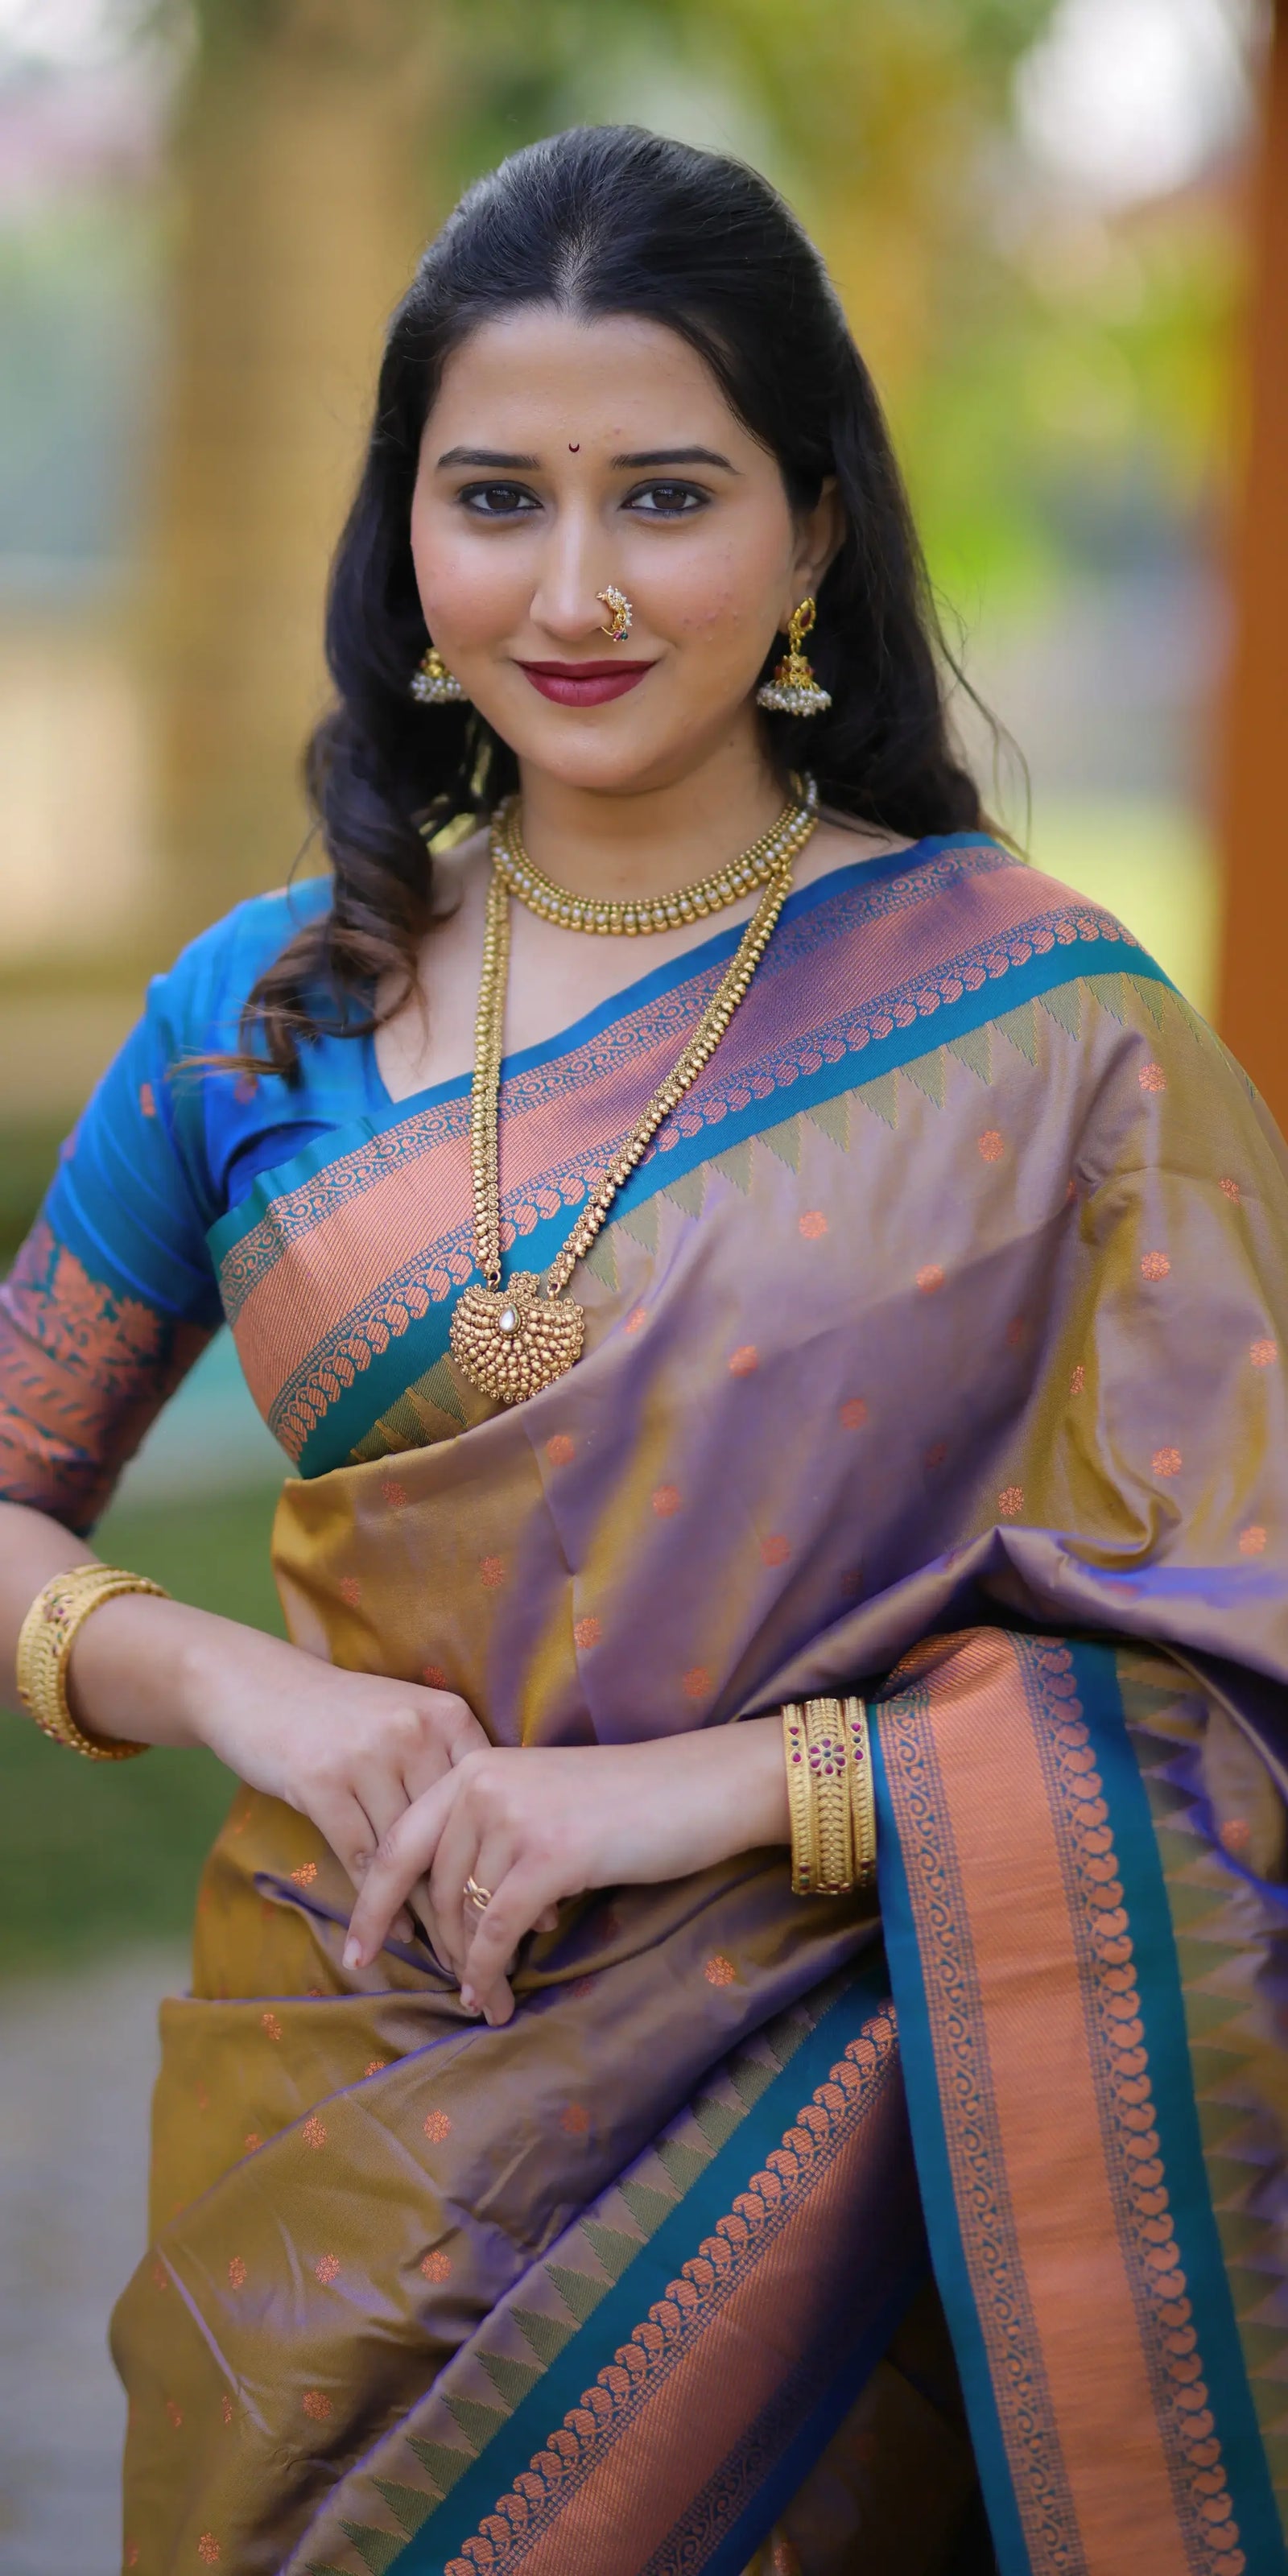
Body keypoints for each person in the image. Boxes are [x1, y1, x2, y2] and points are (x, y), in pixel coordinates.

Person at [2, 123, 1286, 2576]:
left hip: (860, 2179)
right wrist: (244, 1693)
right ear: (405, 541)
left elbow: (1238, 1665)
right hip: (336, 2154)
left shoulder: (1052, 1035)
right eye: (495, 497)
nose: (572, 590)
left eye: (667, 498)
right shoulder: (255, 1019)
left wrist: (724, 1796)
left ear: (814, 533)